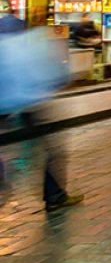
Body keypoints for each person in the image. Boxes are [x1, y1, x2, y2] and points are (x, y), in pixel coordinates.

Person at [0, 21, 83, 211]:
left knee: (30, 151)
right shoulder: (26, 48)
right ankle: (54, 195)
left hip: (7, 109)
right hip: (27, 107)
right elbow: (53, 75)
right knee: (50, 151)